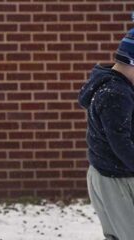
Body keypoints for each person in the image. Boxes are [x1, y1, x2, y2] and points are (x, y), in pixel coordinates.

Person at [79, 28, 134, 240]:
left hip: (109, 172)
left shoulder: (117, 88)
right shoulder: (115, 94)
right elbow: (120, 141)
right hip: (114, 178)